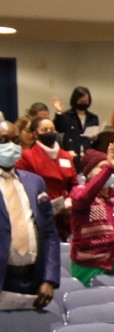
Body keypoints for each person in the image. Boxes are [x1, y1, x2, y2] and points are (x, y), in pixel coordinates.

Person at [0, 120, 58, 308]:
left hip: (33, 281)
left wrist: (49, 279)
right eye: (3, 141)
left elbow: (49, 234)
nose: (10, 146)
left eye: (15, 140)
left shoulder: (35, 183)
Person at [68, 146, 114, 286]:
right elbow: (84, 197)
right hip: (90, 267)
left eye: (108, 167)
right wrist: (108, 168)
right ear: (88, 174)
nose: (109, 170)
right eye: (101, 167)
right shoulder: (79, 192)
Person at [16, 116, 78, 241]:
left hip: (65, 213)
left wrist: (70, 200)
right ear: (35, 134)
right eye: (44, 130)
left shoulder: (66, 156)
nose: (49, 132)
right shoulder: (26, 156)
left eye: (52, 129)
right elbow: (23, 187)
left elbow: (74, 184)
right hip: (41, 212)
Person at [52, 86, 99, 159]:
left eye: (86, 101)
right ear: (75, 100)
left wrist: (95, 138)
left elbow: (96, 140)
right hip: (71, 153)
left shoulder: (93, 118)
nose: (84, 103)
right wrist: (59, 113)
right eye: (81, 101)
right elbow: (59, 128)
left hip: (88, 154)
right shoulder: (67, 115)